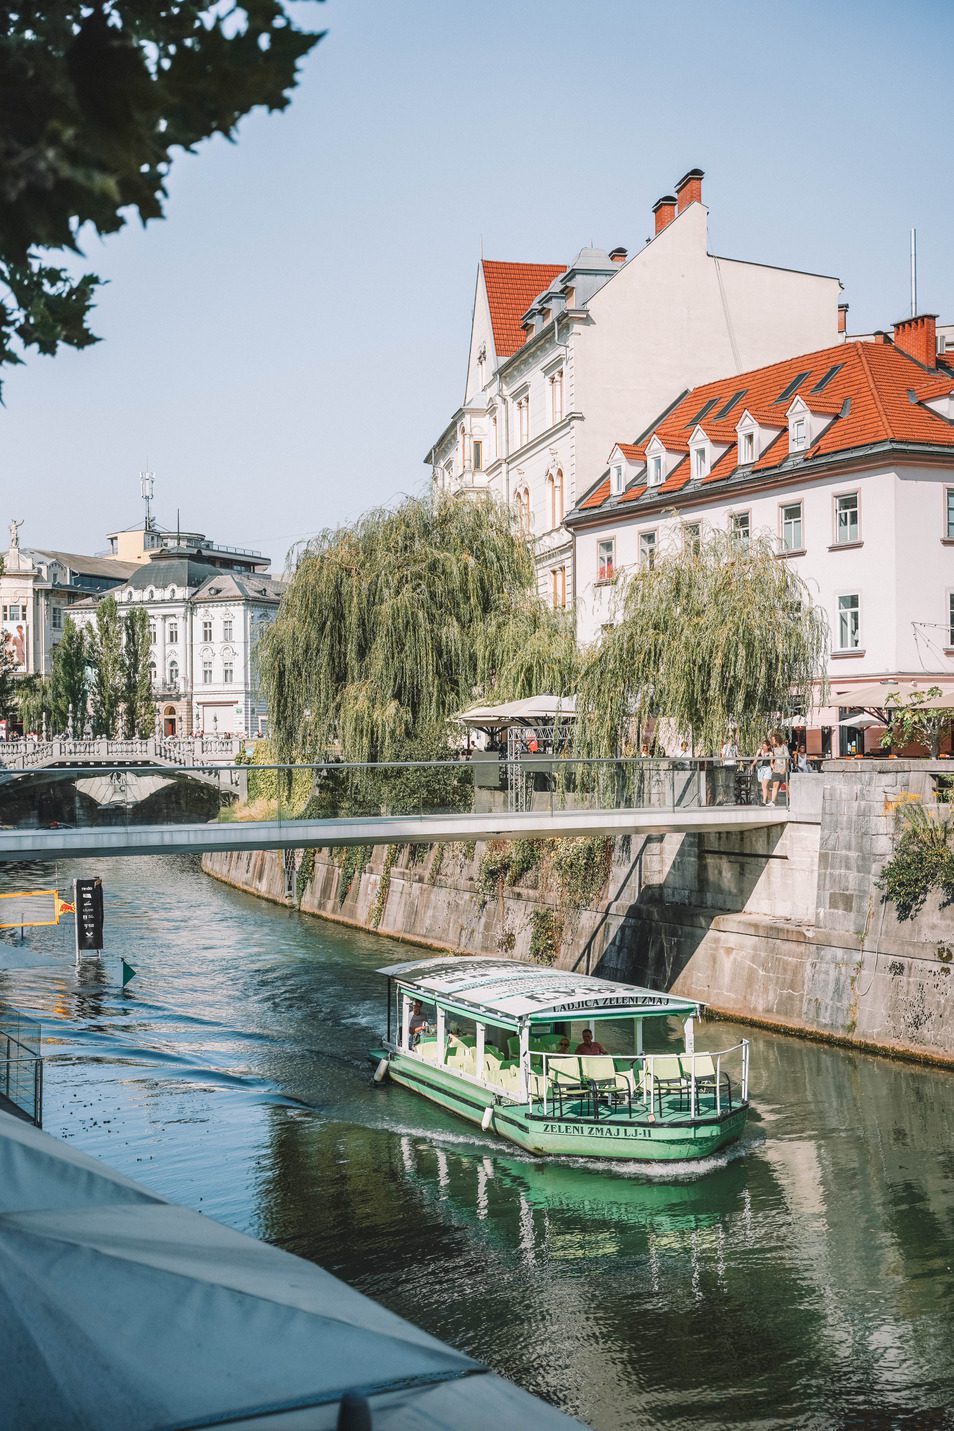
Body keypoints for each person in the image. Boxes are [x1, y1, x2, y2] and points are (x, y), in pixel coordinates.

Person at [769, 731, 790, 806]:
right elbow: (774, 757)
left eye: (773, 739)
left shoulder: (784, 747)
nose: (772, 741)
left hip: (783, 768)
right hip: (776, 769)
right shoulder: (774, 748)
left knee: (787, 786)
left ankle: (791, 801)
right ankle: (773, 801)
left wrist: (785, 768)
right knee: (775, 785)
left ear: (777, 739)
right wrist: (772, 765)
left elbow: (787, 758)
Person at [751, 740, 773, 805]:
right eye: (763, 746)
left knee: (764, 785)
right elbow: (756, 759)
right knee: (765, 787)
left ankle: (764, 802)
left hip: (767, 769)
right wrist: (752, 764)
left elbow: (771, 763)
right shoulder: (759, 751)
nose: (763, 747)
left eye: (765, 746)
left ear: (768, 746)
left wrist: (773, 768)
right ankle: (772, 799)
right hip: (760, 769)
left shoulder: (770, 753)